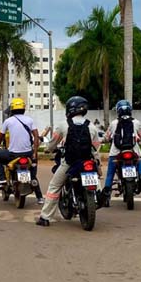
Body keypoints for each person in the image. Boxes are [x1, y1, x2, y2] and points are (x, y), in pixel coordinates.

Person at [36, 96, 101, 227]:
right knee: (97, 181)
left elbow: (53, 143)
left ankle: (45, 217)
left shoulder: (63, 125)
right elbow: (96, 148)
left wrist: (48, 149)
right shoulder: (92, 127)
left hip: (69, 162)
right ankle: (99, 196)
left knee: (54, 187)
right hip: (87, 161)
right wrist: (98, 165)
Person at [0, 98, 44, 203]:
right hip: (28, 154)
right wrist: (34, 152)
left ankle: (2, 179)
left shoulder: (8, 121)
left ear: (12, 110)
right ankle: (39, 198)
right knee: (33, 175)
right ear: (23, 109)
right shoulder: (30, 120)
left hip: (12, 155)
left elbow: (1, 137)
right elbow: (36, 136)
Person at [102, 99, 141, 204]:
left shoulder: (114, 123)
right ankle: (140, 180)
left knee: (110, 175)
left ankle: (106, 195)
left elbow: (106, 137)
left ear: (118, 111)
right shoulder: (136, 122)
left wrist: (104, 139)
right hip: (134, 152)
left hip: (116, 153)